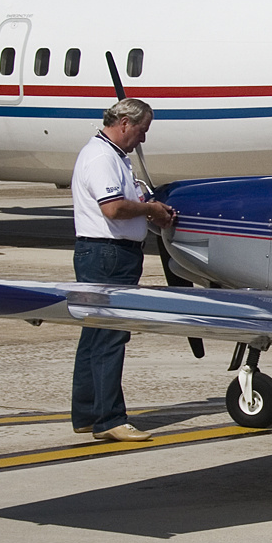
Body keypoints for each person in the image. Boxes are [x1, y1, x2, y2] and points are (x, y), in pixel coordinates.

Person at [71, 98, 175, 441]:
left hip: (104, 252)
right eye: (142, 130)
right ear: (125, 124)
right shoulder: (102, 157)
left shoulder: (110, 155)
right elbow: (113, 208)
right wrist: (152, 211)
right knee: (111, 335)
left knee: (94, 334)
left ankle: (87, 413)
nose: (142, 139)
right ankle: (109, 419)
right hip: (108, 255)